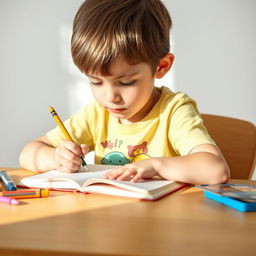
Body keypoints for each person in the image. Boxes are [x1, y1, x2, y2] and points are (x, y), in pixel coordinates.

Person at [19, 0, 230, 185]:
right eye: (96, 82)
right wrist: (56, 157)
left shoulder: (173, 111)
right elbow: (29, 153)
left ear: (161, 66)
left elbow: (216, 170)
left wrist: (156, 166)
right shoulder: (97, 115)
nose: (110, 97)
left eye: (127, 82)